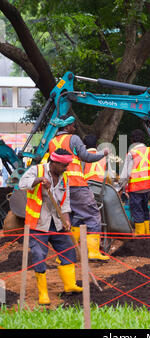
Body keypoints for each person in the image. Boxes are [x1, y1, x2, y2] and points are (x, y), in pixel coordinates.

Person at [19, 148, 82, 305]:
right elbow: (22, 184)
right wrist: (39, 180)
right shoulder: (36, 169)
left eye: (67, 165)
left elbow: (65, 202)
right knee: (39, 256)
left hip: (58, 222)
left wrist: (66, 219)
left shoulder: (64, 177)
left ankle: (69, 285)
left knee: (68, 251)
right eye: (63, 165)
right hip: (38, 224)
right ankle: (43, 293)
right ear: (53, 163)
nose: (66, 168)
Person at [48, 116, 110, 262]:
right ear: (68, 126)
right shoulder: (73, 139)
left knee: (74, 218)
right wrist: (103, 154)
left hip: (61, 185)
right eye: (73, 126)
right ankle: (93, 252)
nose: (74, 128)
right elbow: (86, 157)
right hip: (76, 184)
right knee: (93, 214)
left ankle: (66, 253)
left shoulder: (52, 142)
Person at [119, 129, 150, 235]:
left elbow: (125, 173)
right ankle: (146, 233)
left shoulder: (132, 153)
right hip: (148, 186)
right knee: (145, 208)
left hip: (136, 186)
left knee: (137, 210)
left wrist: (120, 185)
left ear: (132, 140)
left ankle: (140, 235)